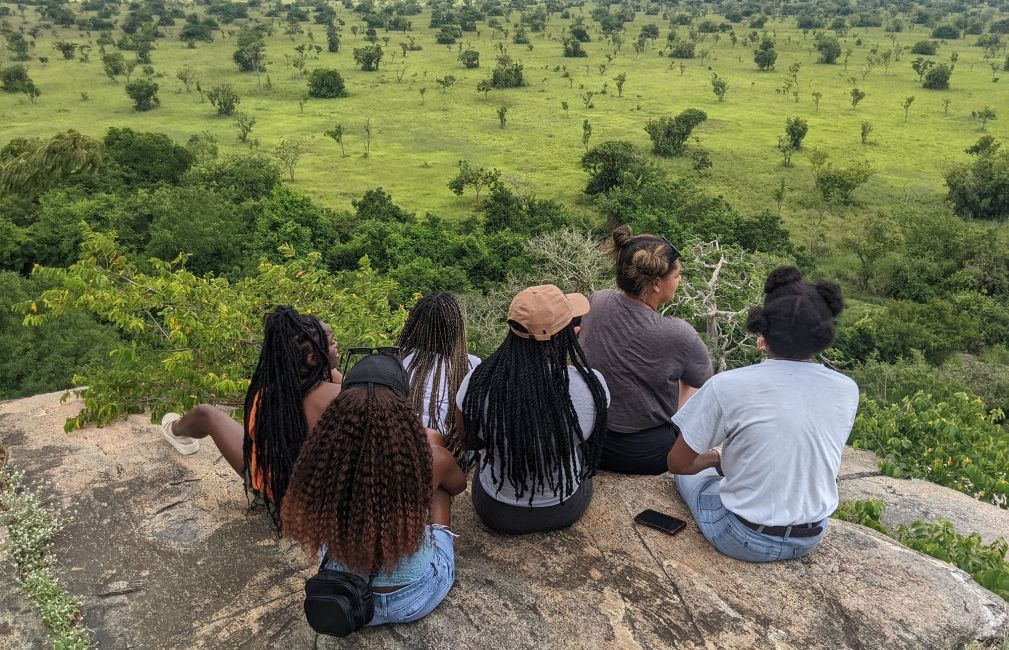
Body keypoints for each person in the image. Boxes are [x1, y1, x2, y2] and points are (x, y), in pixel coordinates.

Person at [667, 267, 859, 562]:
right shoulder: (847, 389)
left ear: (762, 333)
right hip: (811, 535)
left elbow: (677, 463)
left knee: (694, 477)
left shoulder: (728, 385)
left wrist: (714, 459)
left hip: (742, 536)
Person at [281, 354, 466, 625]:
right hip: (413, 595)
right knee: (438, 486)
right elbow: (458, 486)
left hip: (346, 595)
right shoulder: (431, 457)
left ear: (341, 409)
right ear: (402, 409)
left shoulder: (324, 459)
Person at [160, 306, 342, 529]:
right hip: (320, 504)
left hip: (274, 488)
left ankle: (176, 431)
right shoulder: (342, 396)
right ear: (313, 359)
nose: (336, 346)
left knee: (207, 413)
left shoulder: (269, 392)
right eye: (332, 343)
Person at [457, 284, 609, 535]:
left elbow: (467, 438)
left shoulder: (478, 381)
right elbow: (589, 438)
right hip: (562, 504)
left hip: (495, 508)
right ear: (572, 335)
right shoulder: (592, 385)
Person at [578, 225, 712, 475]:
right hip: (646, 453)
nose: (680, 280)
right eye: (677, 274)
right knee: (696, 380)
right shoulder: (679, 333)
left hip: (589, 438)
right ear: (657, 284)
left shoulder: (598, 300)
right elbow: (705, 383)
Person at [397, 292, 480, 459]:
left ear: (414, 325)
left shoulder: (395, 359)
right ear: (455, 328)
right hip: (447, 457)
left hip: (396, 449)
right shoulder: (470, 366)